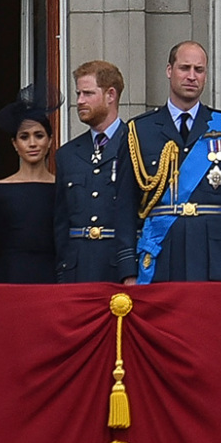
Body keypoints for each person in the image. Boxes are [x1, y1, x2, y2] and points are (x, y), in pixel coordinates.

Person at [127, 41, 221, 282]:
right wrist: (128, 270)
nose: (192, 76)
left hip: (213, 255)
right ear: (169, 70)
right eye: (185, 68)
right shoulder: (139, 130)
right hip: (159, 254)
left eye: (199, 70)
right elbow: (126, 206)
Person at [54, 61, 137, 283]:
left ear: (111, 95)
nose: (79, 101)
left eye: (88, 93)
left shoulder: (136, 145)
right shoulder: (67, 154)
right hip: (76, 270)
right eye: (78, 93)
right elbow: (61, 223)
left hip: (120, 268)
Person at [0, 85, 59, 283]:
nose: (32, 144)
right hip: (8, 283)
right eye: (24, 137)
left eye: (39, 135)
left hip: (53, 284)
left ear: (50, 140)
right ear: (14, 144)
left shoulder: (62, 188)